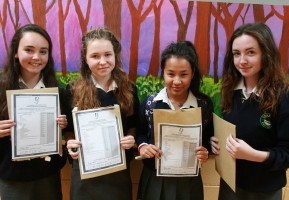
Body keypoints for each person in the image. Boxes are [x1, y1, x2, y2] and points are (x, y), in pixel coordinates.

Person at [210, 22, 289, 200]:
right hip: (230, 185)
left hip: (263, 191)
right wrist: (217, 141)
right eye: (237, 54)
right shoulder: (230, 91)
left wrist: (253, 155)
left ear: (266, 55)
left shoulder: (285, 98)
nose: (242, 61)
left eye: (251, 52)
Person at [64, 27, 140, 200]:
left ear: (115, 56)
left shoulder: (129, 89)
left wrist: (130, 138)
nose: (103, 61)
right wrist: (71, 144)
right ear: (85, 59)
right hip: (85, 175)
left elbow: (133, 126)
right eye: (95, 56)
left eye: (108, 54)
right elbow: (68, 131)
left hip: (117, 174)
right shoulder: (71, 91)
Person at [136, 41, 214, 200]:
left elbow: (207, 140)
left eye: (183, 74)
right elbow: (141, 134)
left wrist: (205, 152)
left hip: (189, 182)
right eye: (171, 74)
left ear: (192, 74)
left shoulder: (203, 105)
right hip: (155, 179)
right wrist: (143, 147)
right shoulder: (150, 104)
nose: (177, 81)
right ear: (163, 73)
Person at [0, 24, 68, 200]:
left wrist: (63, 127)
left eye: (43, 51)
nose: (37, 57)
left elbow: (67, 136)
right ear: (16, 52)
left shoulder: (58, 92)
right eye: (29, 50)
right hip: (12, 178)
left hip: (48, 176)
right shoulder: (1, 88)